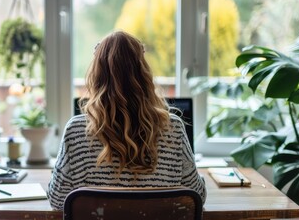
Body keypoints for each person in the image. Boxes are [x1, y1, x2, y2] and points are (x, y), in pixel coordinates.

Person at [47, 31, 206, 210]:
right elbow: (197, 196)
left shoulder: (76, 130)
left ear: (97, 75)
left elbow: (58, 199)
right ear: (143, 74)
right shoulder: (173, 127)